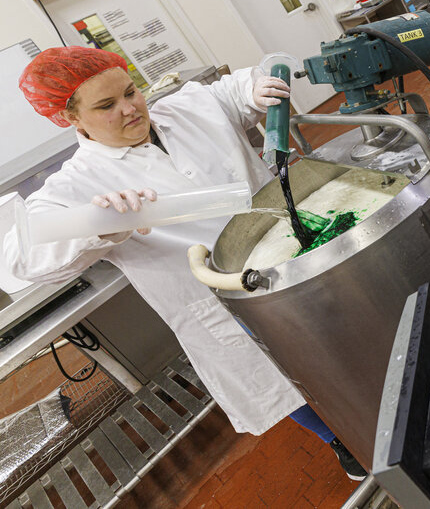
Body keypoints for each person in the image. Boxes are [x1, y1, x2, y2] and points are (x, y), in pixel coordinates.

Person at [5, 46, 366, 481]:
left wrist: (257, 85)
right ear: (71, 119)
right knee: (276, 378)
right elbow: (18, 260)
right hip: (223, 301)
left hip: (294, 255)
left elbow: (247, 80)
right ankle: (340, 441)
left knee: (350, 343)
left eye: (130, 92)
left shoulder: (189, 107)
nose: (130, 109)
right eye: (106, 106)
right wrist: (94, 223)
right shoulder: (76, 185)